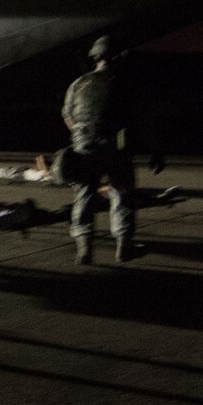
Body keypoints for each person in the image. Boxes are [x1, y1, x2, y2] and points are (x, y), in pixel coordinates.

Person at [60, 35, 163, 264]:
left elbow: (67, 115)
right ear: (117, 56)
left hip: (84, 146)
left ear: (95, 57)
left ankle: (84, 250)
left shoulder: (78, 83)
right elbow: (143, 120)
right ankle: (123, 247)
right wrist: (155, 151)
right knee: (121, 193)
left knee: (84, 194)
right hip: (116, 146)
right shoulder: (126, 84)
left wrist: (82, 136)